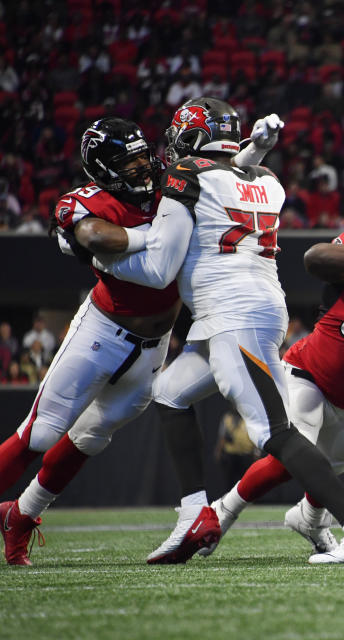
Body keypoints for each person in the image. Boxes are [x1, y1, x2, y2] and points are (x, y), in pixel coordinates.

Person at [90, 97, 344, 565]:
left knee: (275, 432)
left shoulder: (186, 176)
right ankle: (194, 514)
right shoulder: (267, 180)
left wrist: (102, 255)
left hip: (231, 312)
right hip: (251, 306)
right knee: (169, 393)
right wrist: (253, 152)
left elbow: (158, 269)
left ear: (191, 142)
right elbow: (229, 176)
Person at [0, 117, 178, 565]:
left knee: (90, 438)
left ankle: (20, 515)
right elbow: (97, 235)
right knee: (40, 432)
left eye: (143, 156)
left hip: (155, 347)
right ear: (102, 170)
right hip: (102, 331)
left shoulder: (172, 187)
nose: (142, 167)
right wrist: (157, 239)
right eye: (129, 161)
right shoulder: (87, 202)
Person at [200, 230, 344, 559]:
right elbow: (315, 258)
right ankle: (222, 511)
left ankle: (311, 521)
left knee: (332, 466)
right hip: (309, 374)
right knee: (292, 458)